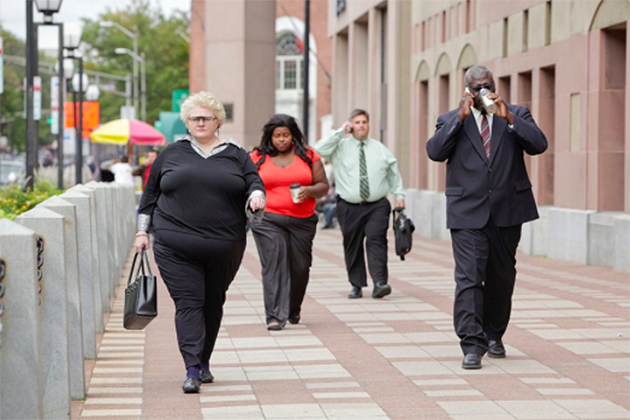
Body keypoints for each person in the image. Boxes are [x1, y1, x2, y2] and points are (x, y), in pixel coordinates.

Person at [134, 91, 265, 393]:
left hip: (225, 245)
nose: (200, 123)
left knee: (213, 302)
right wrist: (142, 232)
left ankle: (204, 362)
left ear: (218, 121)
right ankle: (192, 368)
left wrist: (257, 196)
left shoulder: (235, 153)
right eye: (194, 118)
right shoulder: (171, 153)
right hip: (174, 244)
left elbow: (253, 182)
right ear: (187, 122)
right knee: (189, 302)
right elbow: (149, 196)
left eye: (206, 118)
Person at [426, 65, 548, 370]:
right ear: (467, 89)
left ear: (495, 86)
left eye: (488, 85)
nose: (483, 92)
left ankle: (494, 334)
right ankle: (471, 343)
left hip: (508, 210)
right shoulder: (450, 119)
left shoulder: (517, 113)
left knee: (501, 277)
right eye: (477, 87)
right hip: (467, 212)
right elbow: (435, 152)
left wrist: (509, 117)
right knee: (468, 278)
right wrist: (460, 117)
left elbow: (539, 145)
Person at [249, 114, 328, 331]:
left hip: (302, 221)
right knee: (274, 261)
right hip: (268, 219)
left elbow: (323, 185)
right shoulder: (257, 157)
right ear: (270, 136)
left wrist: (309, 190)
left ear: (293, 136)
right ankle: (274, 315)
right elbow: (245, 183)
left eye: (286, 135)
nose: (281, 140)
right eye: (277, 136)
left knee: (300, 267)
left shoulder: (308, 155)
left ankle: (293, 308)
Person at [315, 109, 405, 299]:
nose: (361, 125)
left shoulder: (379, 148)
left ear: (368, 124)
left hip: (376, 205)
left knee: (376, 240)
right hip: (349, 205)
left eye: (364, 121)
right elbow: (319, 149)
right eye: (357, 122)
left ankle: (380, 282)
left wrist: (399, 194)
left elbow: (393, 171)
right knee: (352, 244)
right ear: (350, 125)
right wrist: (340, 132)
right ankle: (356, 285)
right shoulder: (340, 147)